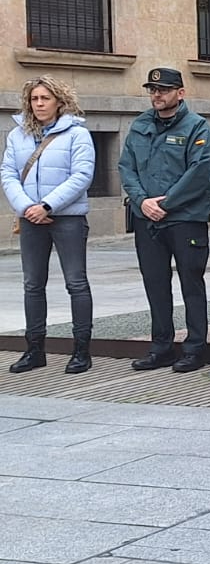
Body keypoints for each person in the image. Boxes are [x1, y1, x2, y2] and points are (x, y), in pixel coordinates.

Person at [118, 67, 210, 374]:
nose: (157, 95)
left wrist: (166, 203)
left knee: (191, 283)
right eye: (152, 90)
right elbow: (126, 167)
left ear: (180, 93)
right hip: (146, 217)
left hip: (185, 218)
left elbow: (199, 174)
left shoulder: (197, 127)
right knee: (155, 285)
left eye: (163, 90)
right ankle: (161, 347)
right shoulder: (140, 125)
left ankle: (195, 348)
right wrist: (141, 201)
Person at [4, 76, 95, 374]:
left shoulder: (77, 134)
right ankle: (35, 350)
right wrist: (27, 207)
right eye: (34, 99)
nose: (39, 104)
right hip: (30, 218)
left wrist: (47, 205)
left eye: (45, 98)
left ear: (59, 101)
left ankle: (81, 351)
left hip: (67, 218)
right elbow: (8, 174)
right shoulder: (17, 136)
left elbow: (82, 175)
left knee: (76, 283)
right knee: (32, 285)